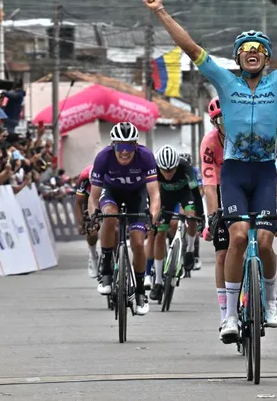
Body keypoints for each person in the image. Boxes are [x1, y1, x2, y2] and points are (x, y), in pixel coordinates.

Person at [144, 0, 277, 342]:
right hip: (234, 172)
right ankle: (228, 316)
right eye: (246, 51)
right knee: (239, 237)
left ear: (268, 59)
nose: (252, 55)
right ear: (238, 58)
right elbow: (190, 47)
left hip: (263, 173)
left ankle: (271, 301)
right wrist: (161, 11)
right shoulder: (225, 81)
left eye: (259, 51)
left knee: (265, 239)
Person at [88, 122, 160, 316]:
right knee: (109, 216)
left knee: (138, 242)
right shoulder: (103, 157)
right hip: (111, 193)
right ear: (114, 146)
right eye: (121, 146)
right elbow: (93, 197)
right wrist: (94, 216)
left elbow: (154, 194)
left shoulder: (145, 157)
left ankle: (139, 292)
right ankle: (106, 271)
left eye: (129, 146)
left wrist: (153, 217)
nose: (125, 152)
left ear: (136, 146)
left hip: (137, 196)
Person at [147, 144, 204, 303]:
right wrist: (152, 217)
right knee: (159, 235)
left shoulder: (186, 167)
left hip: (186, 194)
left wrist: (202, 215)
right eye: (164, 171)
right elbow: (152, 196)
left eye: (171, 170)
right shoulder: (154, 170)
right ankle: (157, 281)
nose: (168, 174)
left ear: (177, 165)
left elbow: (196, 194)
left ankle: (190, 250)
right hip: (165, 198)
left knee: (191, 216)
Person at [200, 97, 230, 335]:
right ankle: (224, 314)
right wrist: (213, 218)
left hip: (242, 185)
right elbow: (210, 185)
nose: (225, 123)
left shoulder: (244, 135)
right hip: (220, 188)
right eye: (220, 120)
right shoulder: (210, 142)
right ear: (214, 122)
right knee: (221, 253)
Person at [74, 164, 99, 278]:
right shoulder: (84, 177)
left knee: (114, 226)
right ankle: (93, 255)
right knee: (91, 228)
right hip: (89, 199)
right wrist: (81, 224)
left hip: (107, 196)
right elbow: (79, 202)